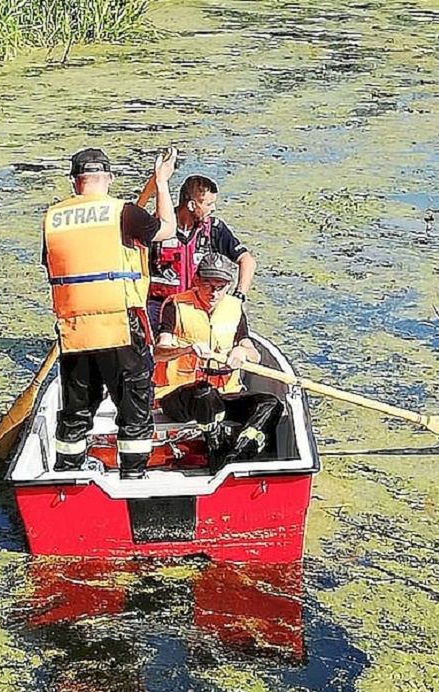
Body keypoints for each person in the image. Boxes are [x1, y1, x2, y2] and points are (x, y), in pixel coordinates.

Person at [42, 146, 177, 479]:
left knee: (76, 410)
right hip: (119, 323)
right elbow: (167, 229)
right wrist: (161, 183)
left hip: (75, 329)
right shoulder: (124, 213)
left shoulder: (54, 219)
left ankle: (67, 474)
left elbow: (53, 265)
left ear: (75, 182)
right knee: (134, 406)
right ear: (108, 178)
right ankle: (132, 475)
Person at [152, 253, 282, 469]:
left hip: (224, 395)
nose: (213, 292)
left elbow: (253, 353)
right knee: (204, 392)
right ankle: (216, 451)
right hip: (179, 396)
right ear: (196, 281)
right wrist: (186, 349)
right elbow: (158, 351)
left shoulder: (233, 308)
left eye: (220, 286)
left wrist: (241, 351)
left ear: (229, 286)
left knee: (270, 403)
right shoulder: (176, 305)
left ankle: (239, 451)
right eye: (207, 284)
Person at [144, 175, 257, 335]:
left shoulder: (214, 229)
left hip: (196, 307)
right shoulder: (157, 227)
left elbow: (247, 261)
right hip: (160, 307)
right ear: (191, 205)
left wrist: (238, 296)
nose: (214, 209)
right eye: (209, 204)